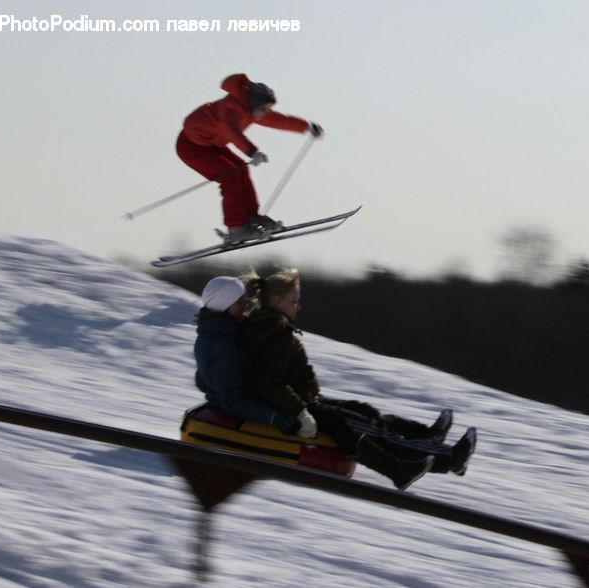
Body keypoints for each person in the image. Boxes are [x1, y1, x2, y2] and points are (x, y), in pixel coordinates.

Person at [239, 268, 477, 491]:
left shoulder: (269, 327)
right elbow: (270, 383)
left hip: (306, 400)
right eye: (294, 301)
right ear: (277, 301)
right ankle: (446, 459)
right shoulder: (275, 334)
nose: (298, 307)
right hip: (299, 406)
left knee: (364, 411)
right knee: (371, 427)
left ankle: (427, 436)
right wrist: (301, 410)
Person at [176, 73, 323, 243]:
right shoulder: (229, 110)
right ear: (252, 104)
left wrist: (306, 126)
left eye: (268, 109)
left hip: (211, 145)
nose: (266, 113)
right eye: (264, 109)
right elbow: (232, 131)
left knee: (240, 170)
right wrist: (252, 151)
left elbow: (279, 120)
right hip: (191, 147)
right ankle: (236, 228)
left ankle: (250, 218)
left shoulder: (251, 111)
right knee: (230, 175)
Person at [194, 276, 309, 436]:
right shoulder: (219, 344)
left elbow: (203, 380)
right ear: (224, 305)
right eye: (239, 302)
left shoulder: (229, 333)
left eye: (244, 301)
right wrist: (272, 416)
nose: (245, 307)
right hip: (237, 412)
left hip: (248, 405)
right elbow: (230, 398)